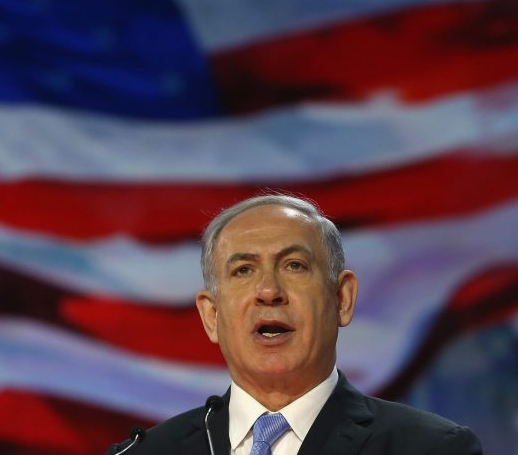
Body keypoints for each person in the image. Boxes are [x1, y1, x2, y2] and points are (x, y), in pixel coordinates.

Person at [108, 194, 482, 454]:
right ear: (212, 316)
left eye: (294, 266)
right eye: (243, 270)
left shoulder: (430, 448)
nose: (269, 291)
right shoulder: (146, 453)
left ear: (342, 299)